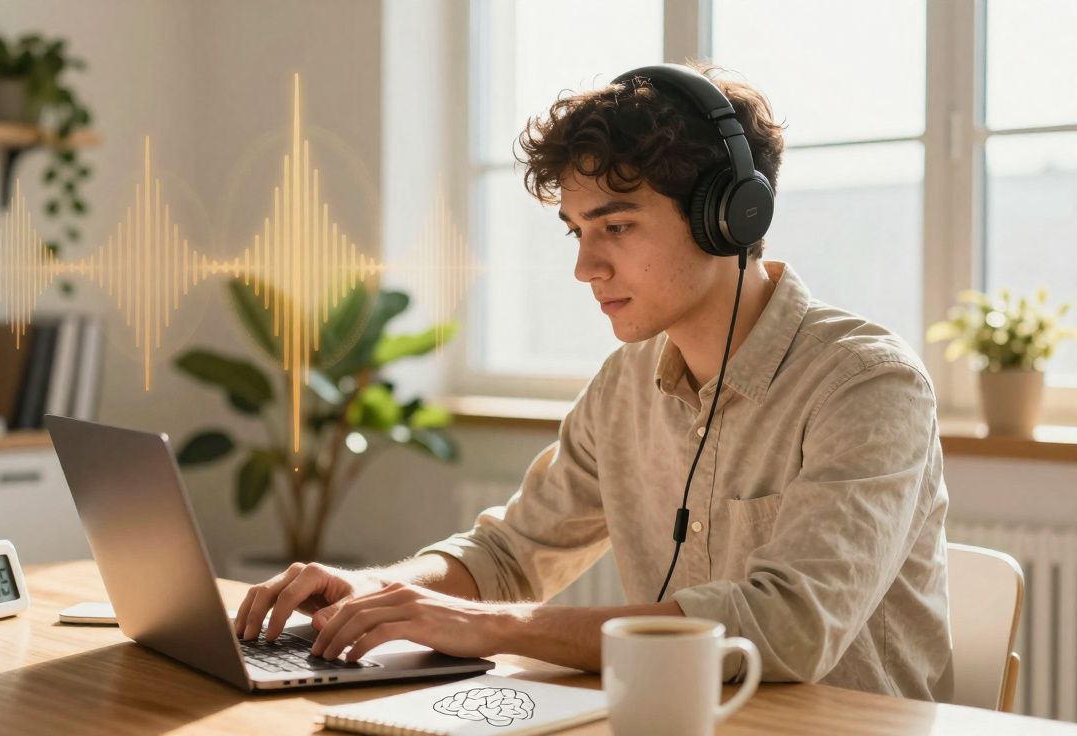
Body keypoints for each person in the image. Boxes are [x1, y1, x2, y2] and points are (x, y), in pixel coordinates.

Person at [233, 62, 952, 701]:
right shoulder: (626, 383)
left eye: (616, 227)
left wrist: (486, 627)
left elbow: (787, 629)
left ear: (727, 218)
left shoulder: (867, 385)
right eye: (578, 231)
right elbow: (511, 555)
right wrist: (377, 590)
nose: (586, 268)